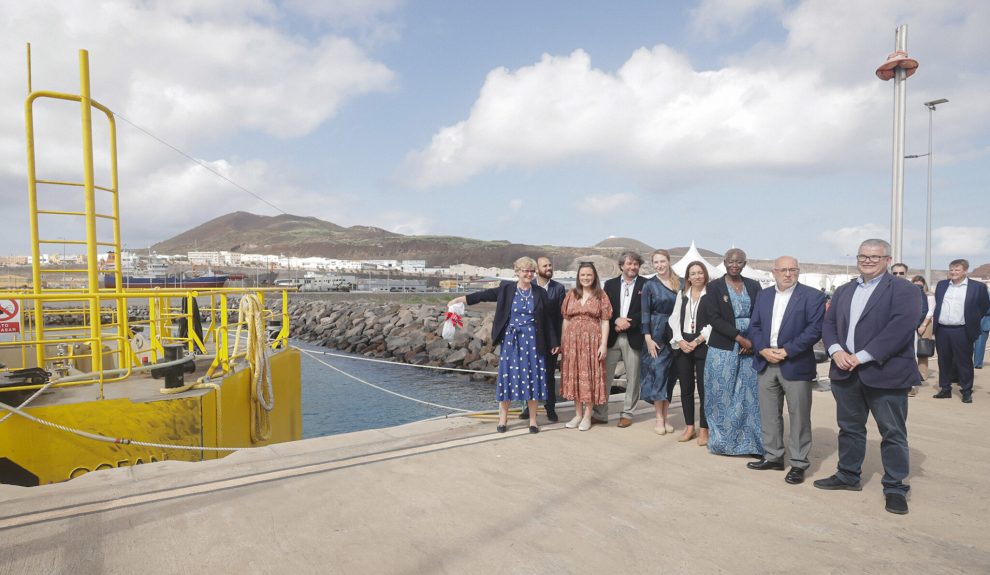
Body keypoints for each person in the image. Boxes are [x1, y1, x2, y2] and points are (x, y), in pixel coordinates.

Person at [816, 239, 922, 515]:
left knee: (893, 432)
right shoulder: (844, 290)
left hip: (885, 373)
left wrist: (861, 356)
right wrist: (837, 350)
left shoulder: (904, 290)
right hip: (845, 371)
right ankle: (848, 475)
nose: (868, 261)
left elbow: (899, 329)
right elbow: (828, 324)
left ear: (887, 259)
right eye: (863, 256)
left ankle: (896, 486)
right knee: (850, 428)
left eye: (875, 257)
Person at [449, 257, 559, 433]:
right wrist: (460, 300)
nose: (529, 274)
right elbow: (483, 296)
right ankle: (502, 419)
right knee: (508, 378)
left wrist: (554, 341)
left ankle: (533, 420)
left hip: (532, 341)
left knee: (532, 379)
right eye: (525, 271)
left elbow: (547, 320)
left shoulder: (539, 292)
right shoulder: (506, 289)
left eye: (531, 271)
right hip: (512, 340)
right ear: (517, 272)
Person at [746, 256, 826, 485]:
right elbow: (755, 326)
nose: (788, 274)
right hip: (765, 362)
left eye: (792, 269)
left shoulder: (813, 296)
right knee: (769, 414)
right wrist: (762, 349)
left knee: (799, 416)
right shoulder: (764, 295)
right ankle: (773, 457)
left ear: (798, 271)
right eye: (783, 270)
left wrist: (787, 351)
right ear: (774, 272)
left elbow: (815, 330)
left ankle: (799, 463)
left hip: (795, 364)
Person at [698, 248, 763, 455]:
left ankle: (751, 444)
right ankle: (723, 443)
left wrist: (750, 341)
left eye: (739, 262)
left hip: (749, 348)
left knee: (748, 397)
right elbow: (714, 318)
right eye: (731, 261)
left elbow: (760, 315)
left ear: (745, 263)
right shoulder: (714, 287)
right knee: (722, 395)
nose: (734, 265)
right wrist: (740, 338)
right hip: (723, 347)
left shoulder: (754, 285)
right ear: (724, 262)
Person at [593, 251, 647, 427]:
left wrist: (628, 323)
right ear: (621, 266)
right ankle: (600, 413)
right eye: (629, 264)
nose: (632, 267)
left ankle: (627, 414)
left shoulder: (647, 285)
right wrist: (616, 320)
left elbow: (648, 311)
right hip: (612, 335)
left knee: (633, 377)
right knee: (604, 376)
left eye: (635, 264)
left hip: (634, 336)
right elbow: (605, 308)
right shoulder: (610, 284)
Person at [559, 262, 612, 431]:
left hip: (592, 342)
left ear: (594, 276)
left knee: (588, 377)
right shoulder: (572, 294)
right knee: (574, 376)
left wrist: (603, 344)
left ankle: (588, 415)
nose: (586, 278)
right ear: (578, 276)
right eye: (583, 275)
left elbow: (605, 321)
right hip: (572, 342)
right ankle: (578, 414)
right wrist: (563, 343)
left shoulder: (601, 295)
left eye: (589, 275)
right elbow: (566, 319)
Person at [932, 259, 990, 403]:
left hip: (962, 330)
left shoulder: (978, 287)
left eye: (957, 270)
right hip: (942, 329)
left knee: (964, 362)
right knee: (943, 360)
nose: (953, 272)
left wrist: (973, 319)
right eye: (951, 269)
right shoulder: (942, 285)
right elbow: (938, 303)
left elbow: (984, 306)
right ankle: (945, 389)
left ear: (965, 271)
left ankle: (966, 391)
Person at [669, 260, 712, 445]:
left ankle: (704, 429)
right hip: (683, 342)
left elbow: (713, 322)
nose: (697, 276)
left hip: (702, 343)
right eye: (693, 273)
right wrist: (679, 339)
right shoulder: (682, 294)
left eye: (700, 272)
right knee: (686, 389)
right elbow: (674, 318)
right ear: (688, 277)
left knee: (704, 389)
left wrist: (696, 341)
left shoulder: (711, 295)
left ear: (705, 275)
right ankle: (689, 427)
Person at [519, 256, 566, 422]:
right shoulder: (528, 287)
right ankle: (528, 408)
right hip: (529, 339)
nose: (549, 268)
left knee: (548, 376)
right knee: (529, 374)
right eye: (545, 266)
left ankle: (550, 408)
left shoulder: (559, 289)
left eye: (550, 265)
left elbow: (562, 317)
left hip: (550, 340)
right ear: (536, 269)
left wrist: (559, 341)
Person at [640, 250, 679, 435]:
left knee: (671, 375)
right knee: (658, 373)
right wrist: (647, 337)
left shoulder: (678, 282)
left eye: (662, 261)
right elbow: (645, 313)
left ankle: (666, 414)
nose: (659, 265)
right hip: (656, 332)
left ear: (669, 262)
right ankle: (659, 418)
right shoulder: (650, 285)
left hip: (676, 333)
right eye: (656, 262)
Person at [911, 275, 936, 386]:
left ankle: (922, 373)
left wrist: (923, 325)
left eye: (920, 282)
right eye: (915, 282)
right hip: (913, 322)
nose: (918, 284)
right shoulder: (910, 295)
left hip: (925, 323)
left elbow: (930, 311)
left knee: (923, 349)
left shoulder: (929, 296)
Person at [975, 285, 990, 369]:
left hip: (984, 322)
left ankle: (977, 363)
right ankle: (976, 363)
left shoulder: (988, 295)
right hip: (976, 322)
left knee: (980, 344)